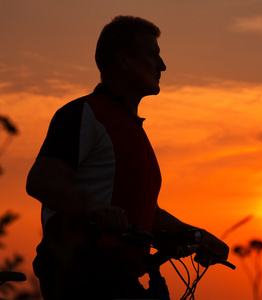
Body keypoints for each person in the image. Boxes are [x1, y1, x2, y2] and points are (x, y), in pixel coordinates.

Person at [26, 15, 229, 300]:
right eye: (152, 55)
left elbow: (144, 213)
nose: (162, 65)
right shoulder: (85, 114)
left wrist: (195, 234)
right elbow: (41, 180)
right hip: (81, 272)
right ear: (124, 60)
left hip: (121, 274)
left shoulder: (132, 128)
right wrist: (95, 208)